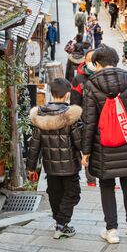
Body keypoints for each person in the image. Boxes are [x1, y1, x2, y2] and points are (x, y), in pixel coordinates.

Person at [81, 45, 127, 244]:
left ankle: (111, 230)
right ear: (116, 60)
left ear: (96, 63)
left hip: (103, 144)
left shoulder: (91, 85)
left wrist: (85, 151)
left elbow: (89, 122)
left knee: (107, 185)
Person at [26, 78, 83, 240]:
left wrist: (31, 167)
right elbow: (79, 142)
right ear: (67, 95)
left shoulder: (40, 115)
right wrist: (87, 155)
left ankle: (59, 222)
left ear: (51, 93)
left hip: (50, 167)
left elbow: (34, 145)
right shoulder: (71, 116)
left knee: (55, 193)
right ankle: (61, 224)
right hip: (70, 165)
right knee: (73, 193)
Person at [70, 50, 99, 188]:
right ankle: (91, 179)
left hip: (102, 120)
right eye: (89, 60)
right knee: (87, 148)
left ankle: (107, 178)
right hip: (85, 120)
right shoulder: (78, 79)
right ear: (85, 61)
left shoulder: (103, 75)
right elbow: (74, 102)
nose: (92, 63)